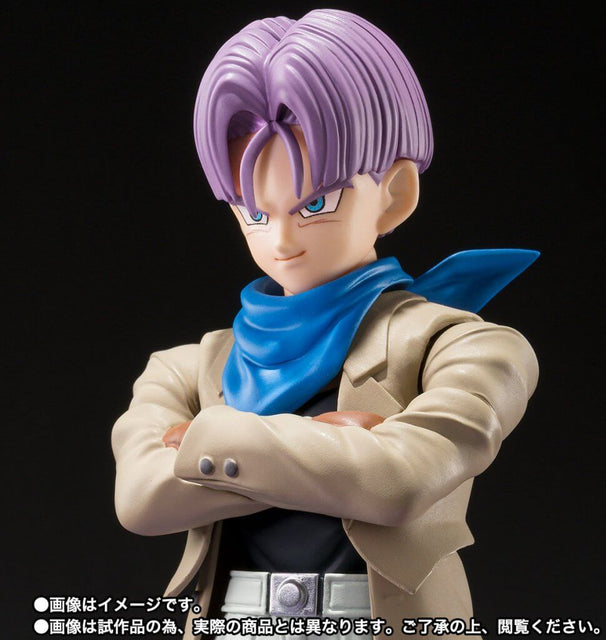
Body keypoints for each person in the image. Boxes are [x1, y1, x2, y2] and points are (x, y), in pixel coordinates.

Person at [112, 9, 538, 640]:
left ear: (394, 194)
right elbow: (141, 500)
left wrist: (208, 441)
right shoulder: (186, 367)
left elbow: (400, 482)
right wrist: (332, 446)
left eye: (314, 203)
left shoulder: (465, 347)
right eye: (255, 212)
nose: (282, 240)